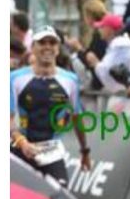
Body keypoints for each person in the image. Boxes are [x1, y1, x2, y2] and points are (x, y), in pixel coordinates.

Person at [10, 26, 91, 187]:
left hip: (51, 151)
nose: (47, 47)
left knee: (60, 194)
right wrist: (22, 142)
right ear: (33, 47)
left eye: (52, 43)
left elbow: (77, 118)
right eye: (42, 42)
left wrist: (85, 151)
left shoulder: (70, 80)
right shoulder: (15, 78)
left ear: (58, 49)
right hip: (21, 148)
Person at [66, 0, 108, 91]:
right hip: (102, 80)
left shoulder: (99, 35)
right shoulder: (98, 32)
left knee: (74, 59)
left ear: (90, 16)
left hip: (99, 81)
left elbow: (91, 59)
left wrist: (78, 48)